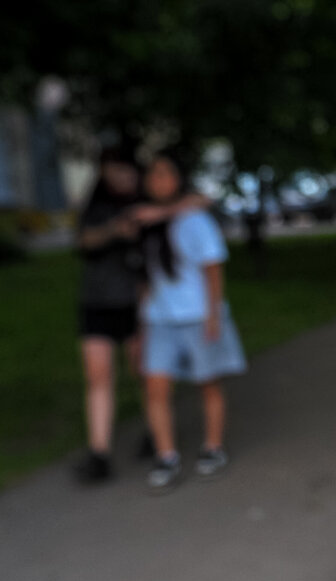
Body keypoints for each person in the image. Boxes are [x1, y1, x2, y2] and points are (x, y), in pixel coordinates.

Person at [138, 150, 246, 490]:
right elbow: (146, 276)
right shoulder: (147, 222)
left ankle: (212, 447)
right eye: (153, 174)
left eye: (166, 173)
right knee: (155, 385)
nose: (160, 181)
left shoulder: (195, 220)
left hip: (198, 316)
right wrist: (142, 319)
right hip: (160, 319)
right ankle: (166, 455)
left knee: (207, 382)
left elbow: (212, 270)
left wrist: (213, 316)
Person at [72, 145, 145, 484]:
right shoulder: (96, 207)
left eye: (127, 171)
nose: (122, 177)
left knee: (142, 371)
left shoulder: (147, 205)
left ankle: (154, 432)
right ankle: (99, 451)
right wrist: (116, 229)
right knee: (98, 377)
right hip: (98, 304)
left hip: (136, 305)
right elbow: (85, 241)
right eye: (116, 170)